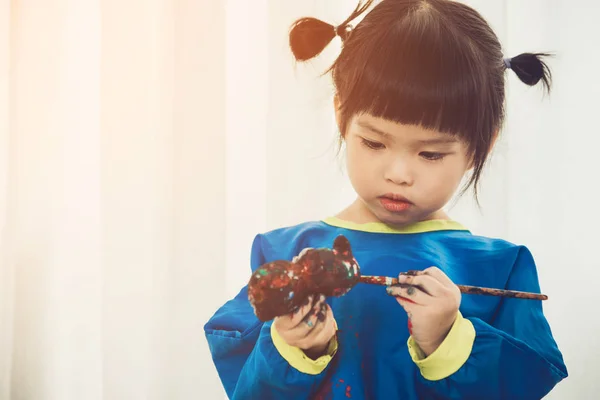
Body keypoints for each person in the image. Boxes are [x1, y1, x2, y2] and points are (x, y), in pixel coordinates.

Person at [204, 0, 568, 398]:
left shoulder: (501, 269)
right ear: (341, 114)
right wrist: (294, 347)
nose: (398, 173)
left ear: (483, 145)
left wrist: (450, 341)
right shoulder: (284, 254)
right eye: (374, 142)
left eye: (430, 154)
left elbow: (523, 384)